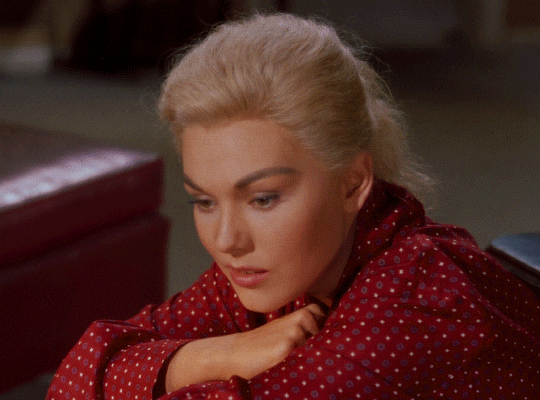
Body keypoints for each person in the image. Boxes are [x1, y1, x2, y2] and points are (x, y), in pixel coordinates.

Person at [46, 13, 540, 400]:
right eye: (204, 201)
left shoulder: (409, 315)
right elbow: (75, 377)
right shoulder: (285, 261)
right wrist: (218, 356)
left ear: (352, 183)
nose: (227, 240)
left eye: (263, 199)